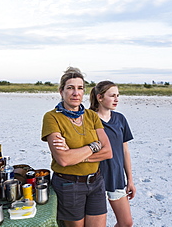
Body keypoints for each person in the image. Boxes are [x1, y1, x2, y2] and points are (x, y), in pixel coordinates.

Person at [41, 67, 113, 227]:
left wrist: (77, 155)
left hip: (96, 182)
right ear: (61, 91)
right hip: (69, 185)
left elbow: (108, 151)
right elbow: (63, 160)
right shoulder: (52, 117)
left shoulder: (92, 116)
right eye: (70, 88)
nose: (76, 93)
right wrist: (94, 146)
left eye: (80, 88)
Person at [89, 81, 135, 227]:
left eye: (117, 96)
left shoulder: (120, 119)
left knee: (126, 223)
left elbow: (125, 151)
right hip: (94, 179)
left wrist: (130, 180)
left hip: (116, 177)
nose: (116, 99)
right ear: (100, 97)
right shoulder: (88, 119)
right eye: (112, 96)